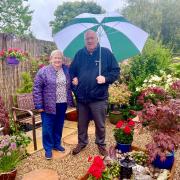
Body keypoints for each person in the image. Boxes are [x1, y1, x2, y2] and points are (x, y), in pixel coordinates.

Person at [70, 30, 120, 156]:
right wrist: (74, 81)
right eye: (87, 39)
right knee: (81, 124)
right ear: (85, 40)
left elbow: (116, 71)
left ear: (97, 39)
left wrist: (105, 79)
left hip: (99, 98)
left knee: (100, 124)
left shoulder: (106, 53)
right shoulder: (79, 54)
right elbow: (72, 72)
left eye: (92, 38)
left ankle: (101, 144)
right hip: (82, 98)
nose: (90, 41)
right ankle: (82, 143)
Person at [33, 50, 73, 160]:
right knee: (47, 127)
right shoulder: (43, 71)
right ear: (51, 59)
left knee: (59, 125)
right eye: (55, 58)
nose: (57, 60)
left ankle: (56, 144)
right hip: (48, 105)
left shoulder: (66, 70)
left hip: (62, 103)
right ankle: (48, 149)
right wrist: (39, 105)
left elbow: (70, 85)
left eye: (59, 58)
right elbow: (37, 89)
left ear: (62, 59)